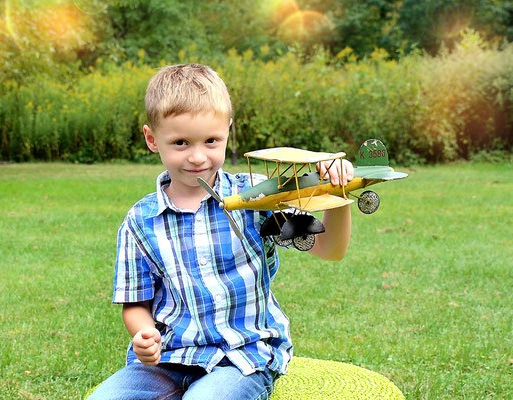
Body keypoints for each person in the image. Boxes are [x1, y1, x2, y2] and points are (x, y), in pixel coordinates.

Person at [88, 64, 353, 400]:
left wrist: (338, 195)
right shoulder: (141, 221)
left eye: (211, 141)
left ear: (228, 130)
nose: (198, 157)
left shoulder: (257, 199)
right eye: (181, 142)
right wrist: (143, 334)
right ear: (152, 139)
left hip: (243, 356)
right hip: (169, 359)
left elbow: (329, 248)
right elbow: (135, 303)